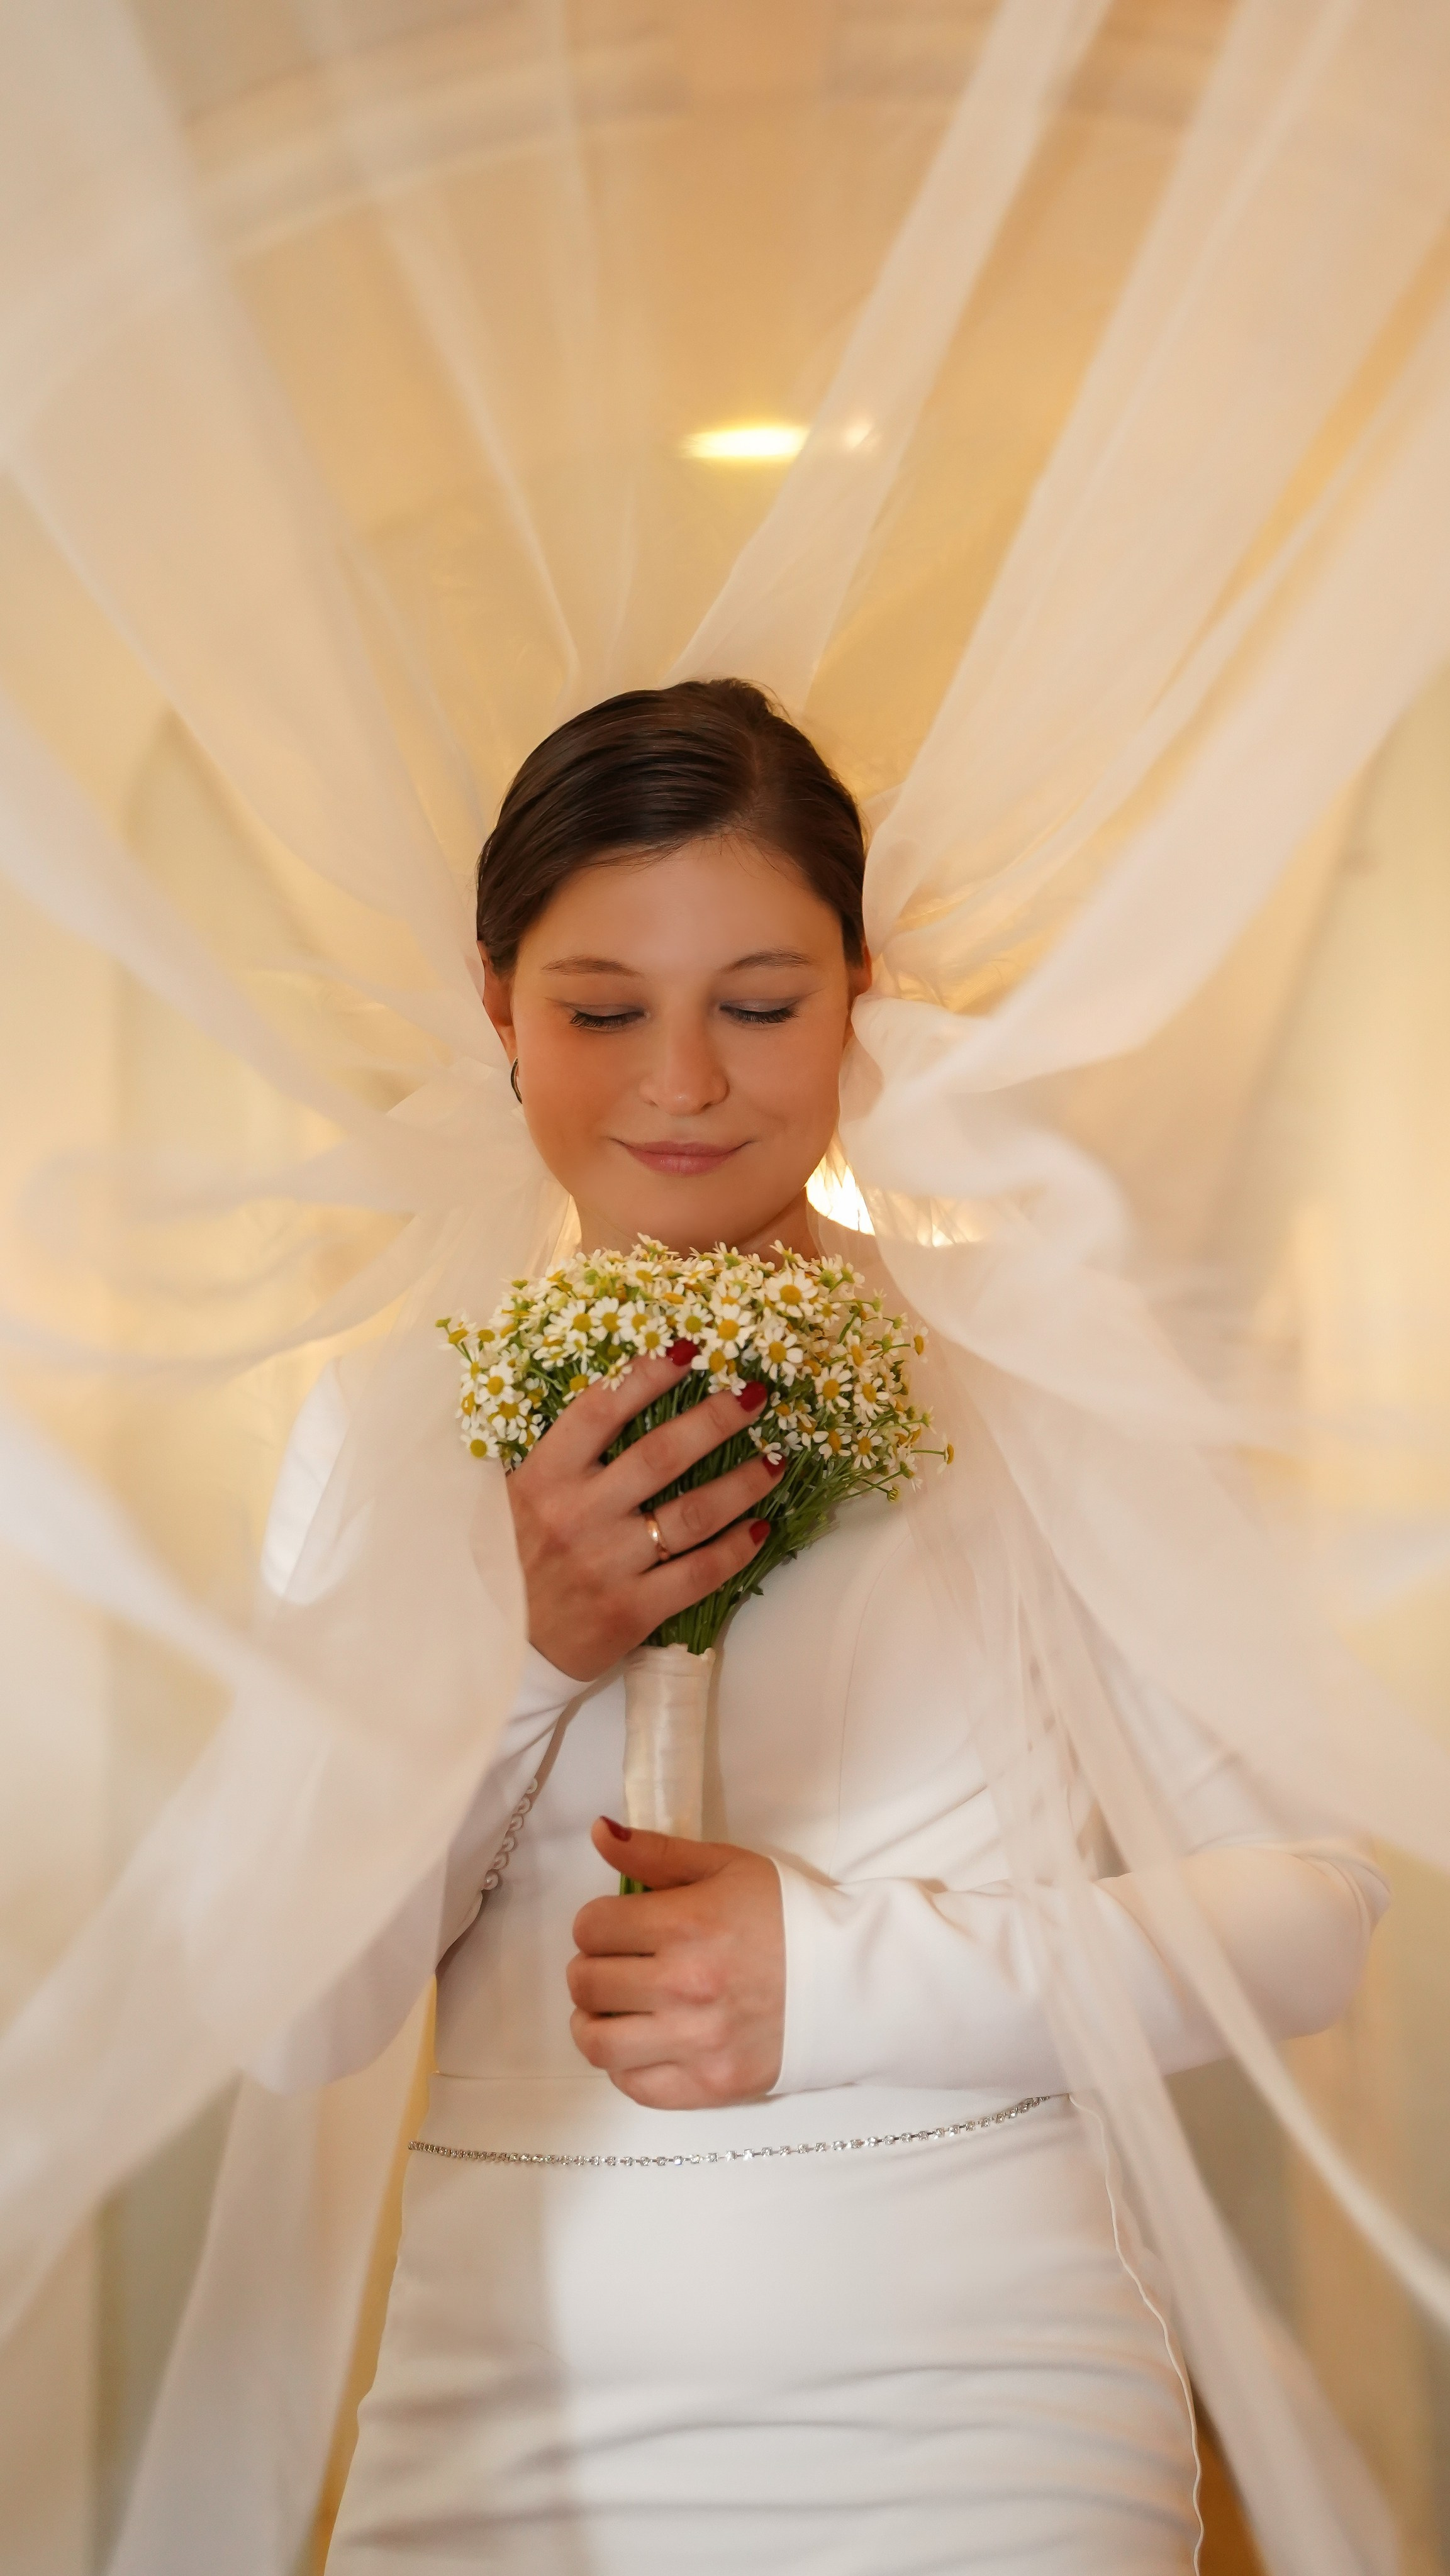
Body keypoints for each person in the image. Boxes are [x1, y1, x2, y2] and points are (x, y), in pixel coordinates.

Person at [259, 679, 1386, 2575]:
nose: (680, 1084)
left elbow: (1308, 1908)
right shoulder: (375, 1427)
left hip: (983, 2414)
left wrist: (839, 1976)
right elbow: (301, 2011)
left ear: (860, 991)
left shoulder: (1038, 1373)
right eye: (598, 1011)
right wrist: (527, 1649)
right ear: (494, 1007)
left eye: (761, 1005)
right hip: (502, 2425)